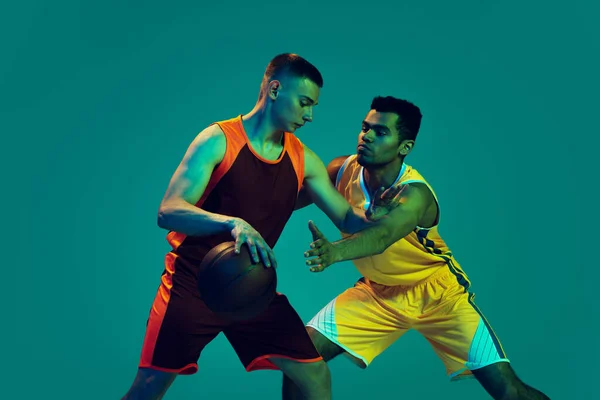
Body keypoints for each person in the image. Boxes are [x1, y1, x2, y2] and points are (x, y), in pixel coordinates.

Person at [121, 54, 402, 400]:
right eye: (304, 103)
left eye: (313, 107)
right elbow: (168, 210)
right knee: (147, 389)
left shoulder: (303, 159)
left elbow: (346, 219)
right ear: (274, 89)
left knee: (314, 373)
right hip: (192, 286)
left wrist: (375, 212)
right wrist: (232, 223)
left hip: (252, 287)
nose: (309, 115)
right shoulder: (218, 140)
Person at [286, 96, 550, 399]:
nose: (367, 136)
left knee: (509, 392)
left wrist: (336, 252)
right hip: (379, 292)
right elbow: (284, 202)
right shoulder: (340, 171)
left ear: (404, 147)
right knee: (300, 357)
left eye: (381, 132)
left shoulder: (415, 194)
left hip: (438, 294)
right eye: (365, 127)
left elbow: (383, 236)